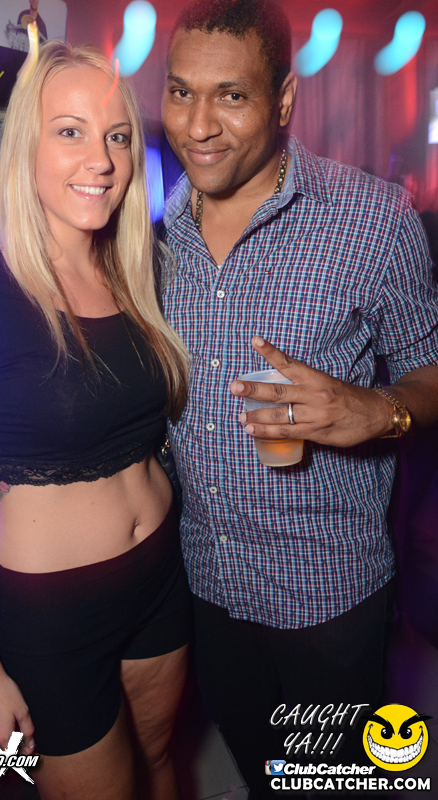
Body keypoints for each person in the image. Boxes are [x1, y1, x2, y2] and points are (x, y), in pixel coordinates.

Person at [159, 0, 438, 796]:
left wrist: (376, 410)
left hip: (327, 593)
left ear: (282, 100)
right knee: (260, 769)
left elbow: (429, 371)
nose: (198, 126)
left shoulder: (373, 221)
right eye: (180, 93)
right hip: (207, 583)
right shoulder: (156, 230)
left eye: (231, 96)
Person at [0, 41, 190, 800]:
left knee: (160, 760)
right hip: (54, 615)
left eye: (117, 136)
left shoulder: (140, 274)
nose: (100, 160)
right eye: (70, 132)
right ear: (25, 147)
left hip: (161, 576)